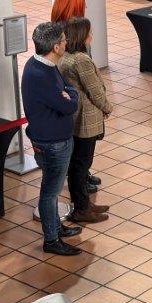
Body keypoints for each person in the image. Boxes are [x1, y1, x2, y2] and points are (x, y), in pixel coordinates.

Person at [22, 21, 84, 256]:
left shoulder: (43, 65)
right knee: (50, 192)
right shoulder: (40, 75)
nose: (67, 43)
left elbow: (68, 89)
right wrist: (71, 97)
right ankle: (51, 239)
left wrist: (69, 94)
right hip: (52, 144)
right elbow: (69, 106)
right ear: (56, 47)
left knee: (52, 190)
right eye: (64, 40)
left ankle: (56, 228)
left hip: (53, 140)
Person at [58, 16, 112, 225]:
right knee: (81, 164)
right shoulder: (81, 60)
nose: (92, 36)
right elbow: (95, 90)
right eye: (89, 32)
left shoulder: (66, 57)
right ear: (82, 36)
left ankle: (85, 204)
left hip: (76, 116)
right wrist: (107, 107)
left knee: (78, 163)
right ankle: (81, 208)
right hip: (86, 118)